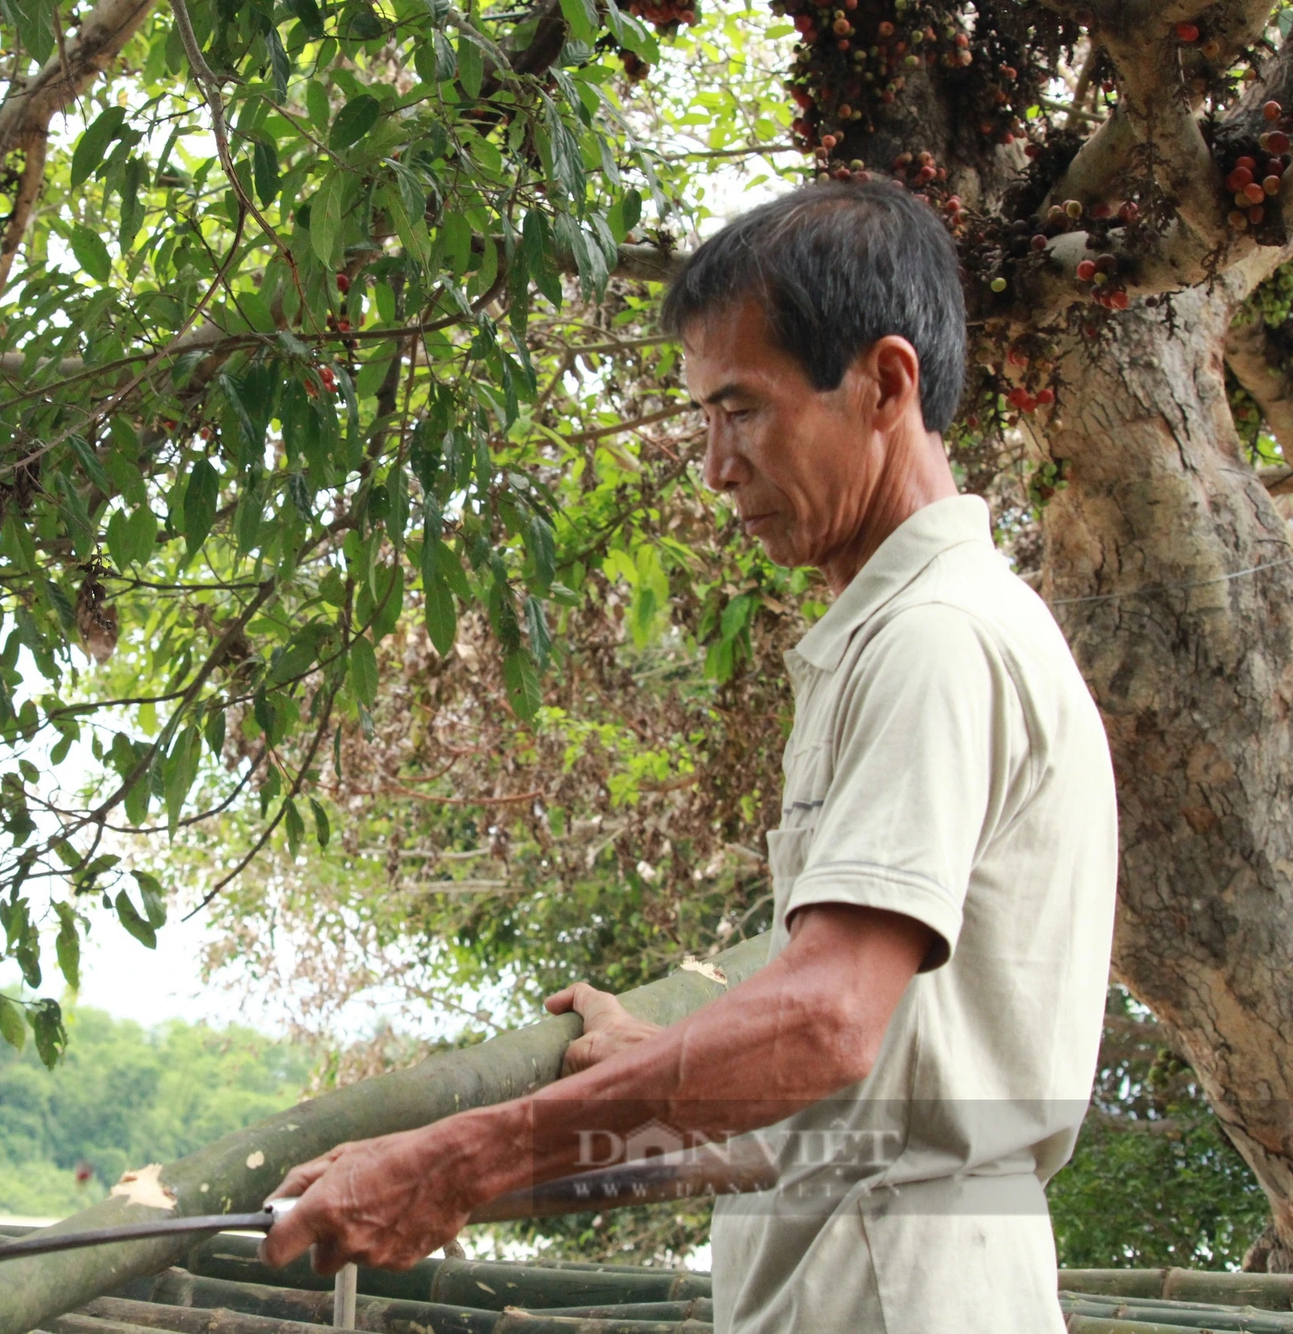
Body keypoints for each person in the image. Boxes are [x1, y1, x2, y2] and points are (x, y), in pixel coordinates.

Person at [259, 180, 1118, 1333]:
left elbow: (822, 1022)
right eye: (701, 420)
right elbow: (823, 1095)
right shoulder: (897, 631)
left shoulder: (931, 640)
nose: (713, 466)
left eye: (741, 410)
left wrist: (453, 1159)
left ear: (884, 382)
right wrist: (664, 1068)